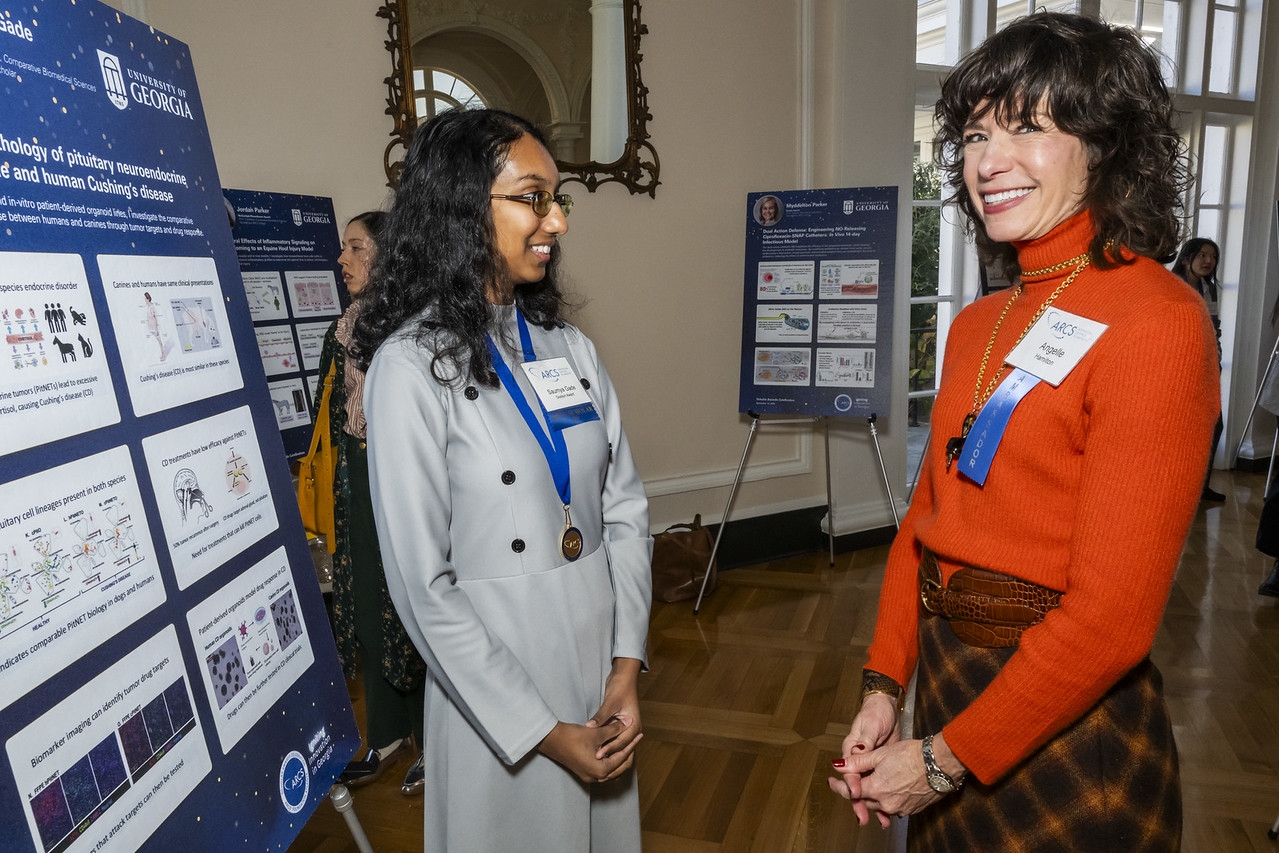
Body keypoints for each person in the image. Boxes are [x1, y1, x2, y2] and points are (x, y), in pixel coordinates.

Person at [828, 13, 1219, 850]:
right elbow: (923, 527)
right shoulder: (977, 323)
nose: (987, 161)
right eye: (975, 134)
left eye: (1026, 128)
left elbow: (1111, 621)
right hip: (950, 693)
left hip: (1066, 726)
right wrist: (884, 684)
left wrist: (940, 762)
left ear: (1104, 146)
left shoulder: (1159, 321)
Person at [351, 108, 652, 851]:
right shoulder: (408, 368)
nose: (558, 221)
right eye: (533, 198)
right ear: (461, 207)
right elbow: (423, 587)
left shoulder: (569, 348)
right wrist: (544, 732)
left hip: (599, 666)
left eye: (558, 198)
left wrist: (625, 669)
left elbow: (623, 511)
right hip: (497, 686)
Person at [318, 211, 427, 795]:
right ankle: (386, 733)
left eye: (356, 248)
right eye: (344, 248)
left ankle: (435, 739)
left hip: (407, 482)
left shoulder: (421, 328)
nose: (343, 259)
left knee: (418, 608)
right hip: (355, 483)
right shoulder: (344, 328)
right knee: (365, 604)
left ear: (389, 255)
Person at [1173, 237, 1226, 501]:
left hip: (1208, 364)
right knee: (1180, 427)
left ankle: (1201, 486)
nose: (1209, 261)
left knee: (1215, 424)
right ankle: (1179, 486)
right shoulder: (1173, 285)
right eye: (1203, 255)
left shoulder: (1210, 289)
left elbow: (1215, 326)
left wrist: (1216, 355)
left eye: (1213, 257)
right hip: (1179, 365)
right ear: (1186, 258)